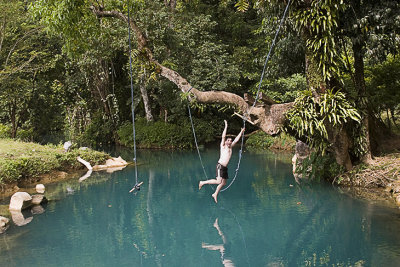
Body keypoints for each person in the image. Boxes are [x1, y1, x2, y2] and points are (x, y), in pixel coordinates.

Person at [199, 120, 245, 203]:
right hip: (220, 166)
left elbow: (236, 140)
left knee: (223, 183)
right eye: (228, 140)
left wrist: (241, 132)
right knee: (218, 181)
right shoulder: (223, 146)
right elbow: (223, 136)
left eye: (230, 141)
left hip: (225, 168)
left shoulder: (231, 147)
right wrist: (226, 126)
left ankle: (215, 194)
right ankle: (203, 182)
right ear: (226, 141)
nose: (229, 142)